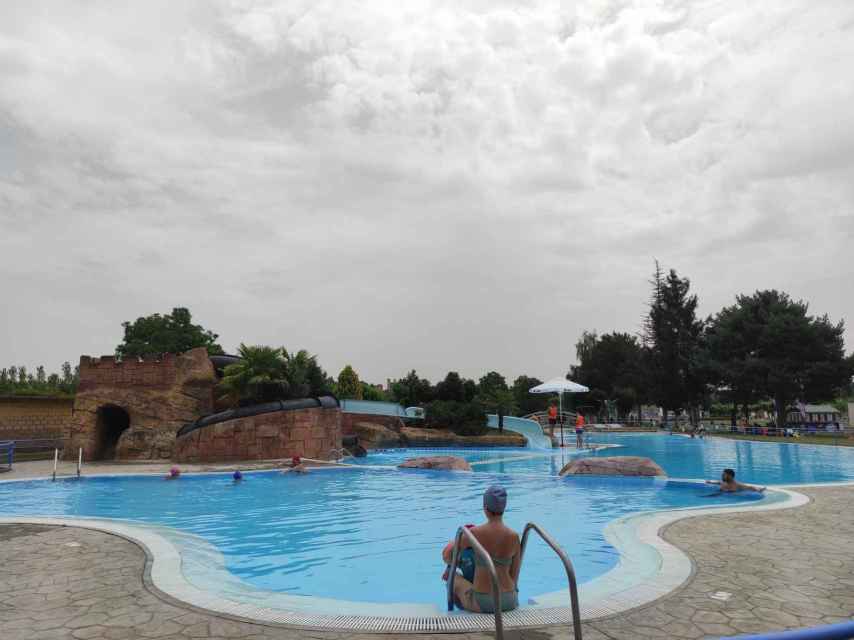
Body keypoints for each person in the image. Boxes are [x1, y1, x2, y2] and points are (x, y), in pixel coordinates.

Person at [445, 486, 520, 614]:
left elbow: (447, 556)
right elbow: (514, 575)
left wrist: (457, 539)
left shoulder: (473, 534)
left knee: (451, 577)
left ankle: (460, 611)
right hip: (510, 599)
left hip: (483, 602)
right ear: (504, 508)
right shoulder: (514, 536)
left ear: (485, 508)